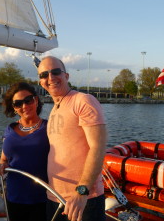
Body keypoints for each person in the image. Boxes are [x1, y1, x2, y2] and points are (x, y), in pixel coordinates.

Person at [37, 56, 107, 221]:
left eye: (55, 72)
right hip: (55, 197)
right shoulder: (55, 108)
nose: (51, 78)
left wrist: (82, 192)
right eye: (44, 75)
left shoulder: (83, 101)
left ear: (66, 76)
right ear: (40, 82)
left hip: (84, 200)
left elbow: (97, 148)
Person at [0, 82, 49, 221]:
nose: (24, 106)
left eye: (28, 100)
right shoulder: (9, 129)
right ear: (14, 108)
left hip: (42, 198)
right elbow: (4, 159)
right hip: (14, 196)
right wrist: (2, 165)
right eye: (18, 103)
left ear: (36, 100)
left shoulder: (49, 128)